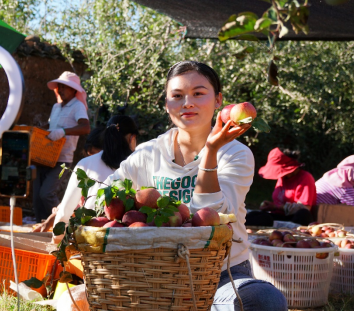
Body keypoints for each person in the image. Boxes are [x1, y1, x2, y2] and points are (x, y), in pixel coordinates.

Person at [104, 61, 287, 311]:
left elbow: (211, 218)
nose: (187, 103)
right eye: (177, 96)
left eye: (198, 93)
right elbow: (104, 195)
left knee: (265, 300)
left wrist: (211, 151)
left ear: (218, 100)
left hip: (222, 274)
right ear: (167, 104)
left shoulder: (235, 154)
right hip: (155, 273)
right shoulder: (148, 153)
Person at [33, 115, 139, 233]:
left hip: (89, 236)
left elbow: (66, 210)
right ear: (132, 138)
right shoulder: (139, 165)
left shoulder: (85, 164)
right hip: (130, 237)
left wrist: (57, 240)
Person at [33, 71, 91, 223]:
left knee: (46, 194)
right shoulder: (56, 107)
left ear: (74, 90)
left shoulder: (77, 106)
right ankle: (41, 225)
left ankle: (61, 223)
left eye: (65, 87)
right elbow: (53, 125)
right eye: (59, 86)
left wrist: (64, 131)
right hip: (45, 156)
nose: (61, 89)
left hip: (62, 159)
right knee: (36, 195)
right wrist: (42, 128)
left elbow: (85, 128)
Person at [246, 147, 316, 226]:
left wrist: (276, 207)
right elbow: (278, 202)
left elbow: (304, 208)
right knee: (254, 215)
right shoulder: (282, 178)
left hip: (293, 219)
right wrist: (270, 205)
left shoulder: (305, 177)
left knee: (303, 214)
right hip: (278, 217)